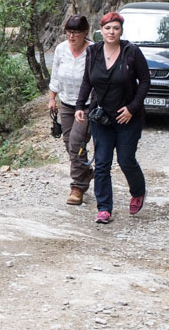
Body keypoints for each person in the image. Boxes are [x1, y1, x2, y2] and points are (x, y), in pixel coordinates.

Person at [75, 11, 150, 224]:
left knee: (126, 160)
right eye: (108, 28)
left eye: (116, 28)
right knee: (102, 163)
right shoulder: (94, 52)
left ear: (121, 31)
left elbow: (145, 82)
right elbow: (87, 81)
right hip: (102, 118)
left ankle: (138, 191)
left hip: (128, 118)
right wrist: (81, 105)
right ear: (101, 30)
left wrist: (132, 108)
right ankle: (104, 208)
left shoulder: (132, 52)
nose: (111, 32)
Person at [47, 15, 94, 205]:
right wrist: (52, 98)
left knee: (76, 143)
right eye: (68, 32)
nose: (71, 36)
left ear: (85, 33)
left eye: (75, 32)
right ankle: (86, 172)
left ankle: (77, 187)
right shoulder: (61, 49)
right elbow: (56, 74)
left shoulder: (93, 51)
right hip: (66, 102)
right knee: (69, 143)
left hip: (88, 105)